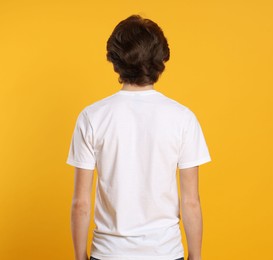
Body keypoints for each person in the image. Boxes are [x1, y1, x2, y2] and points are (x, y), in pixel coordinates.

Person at [66, 14, 211, 260]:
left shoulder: (92, 117)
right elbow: (191, 202)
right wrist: (195, 256)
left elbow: (81, 202)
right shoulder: (183, 118)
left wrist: (80, 257)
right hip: (165, 251)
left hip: (109, 253)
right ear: (161, 60)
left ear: (115, 60)